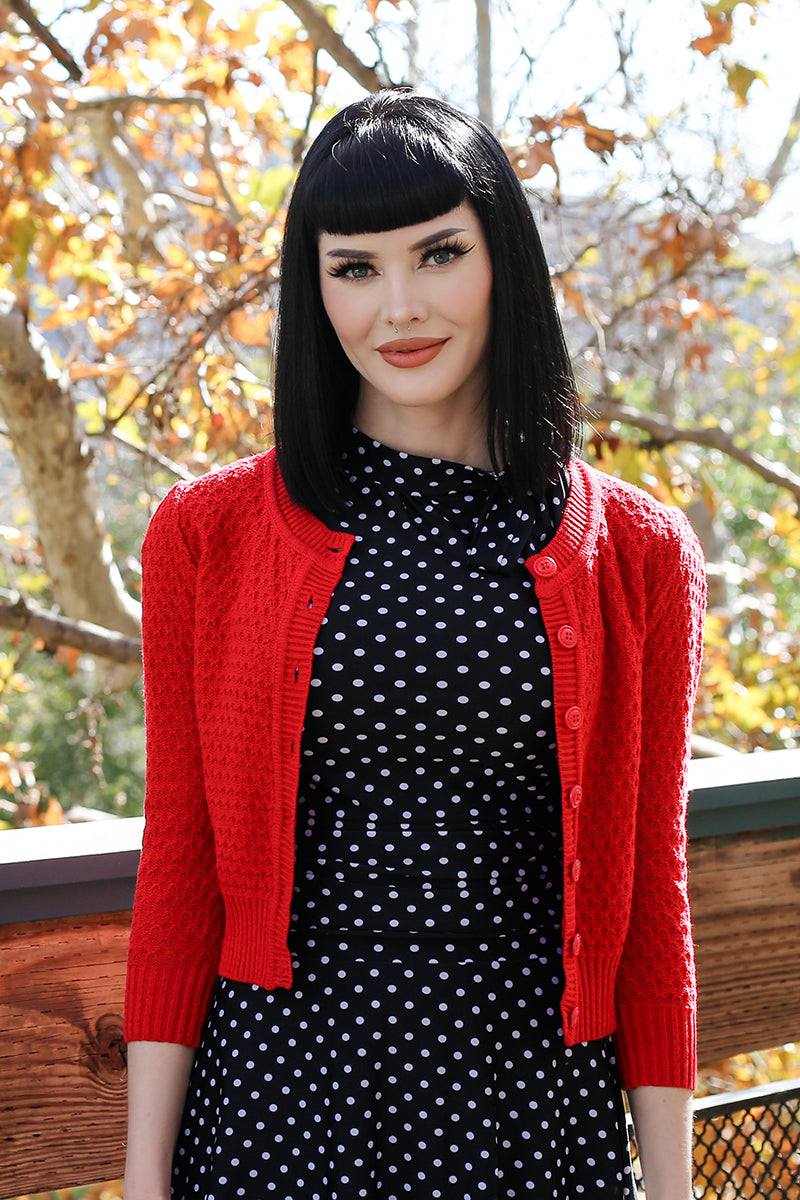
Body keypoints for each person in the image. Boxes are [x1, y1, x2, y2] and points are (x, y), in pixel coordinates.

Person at [123, 90, 707, 1200]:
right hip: (278, 1116)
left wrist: (670, 1186)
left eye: (437, 253)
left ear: (503, 261)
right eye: (354, 267)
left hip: (533, 1121)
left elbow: (646, 900)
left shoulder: (634, 554)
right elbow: (182, 868)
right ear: (316, 288)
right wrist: (144, 1181)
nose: (398, 306)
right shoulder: (206, 534)